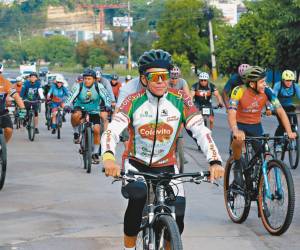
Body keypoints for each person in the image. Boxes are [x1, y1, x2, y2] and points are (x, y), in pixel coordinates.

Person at [101, 49, 224, 250]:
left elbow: (201, 131)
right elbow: (112, 130)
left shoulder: (180, 100)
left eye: (164, 76)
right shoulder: (133, 101)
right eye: (154, 77)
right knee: (138, 196)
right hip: (135, 165)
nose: (160, 81)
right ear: (143, 79)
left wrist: (215, 161)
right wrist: (108, 158)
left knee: (179, 216)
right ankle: (129, 247)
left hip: (167, 166)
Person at [228, 66, 296, 186]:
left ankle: (260, 188)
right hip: (240, 125)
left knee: (263, 156)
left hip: (255, 126)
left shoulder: (267, 91)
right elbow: (232, 111)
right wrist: (235, 130)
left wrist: (289, 131)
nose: (265, 84)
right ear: (252, 84)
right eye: (262, 82)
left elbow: (280, 111)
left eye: (265, 81)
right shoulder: (238, 90)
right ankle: (237, 167)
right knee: (238, 144)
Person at [65, 69, 111, 163]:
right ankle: (76, 133)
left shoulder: (99, 86)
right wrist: (67, 105)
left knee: (97, 130)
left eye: (89, 79)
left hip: (94, 110)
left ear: (94, 79)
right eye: (85, 78)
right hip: (80, 107)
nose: (86, 80)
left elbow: (106, 97)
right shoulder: (79, 86)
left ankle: (95, 153)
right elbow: (71, 96)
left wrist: (108, 105)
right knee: (75, 115)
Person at [272, 70, 300, 151]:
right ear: (283, 80)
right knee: (282, 125)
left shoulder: (295, 86)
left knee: (294, 121)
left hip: (289, 107)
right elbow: (273, 98)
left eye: (290, 80)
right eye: (287, 80)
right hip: (279, 107)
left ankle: (294, 131)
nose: (289, 82)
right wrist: (271, 108)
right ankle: (277, 143)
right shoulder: (278, 85)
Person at [0, 63, 26, 142]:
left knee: (9, 130)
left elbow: (16, 97)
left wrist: (22, 109)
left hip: (2, 112)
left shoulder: (6, 83)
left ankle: (3, 146)